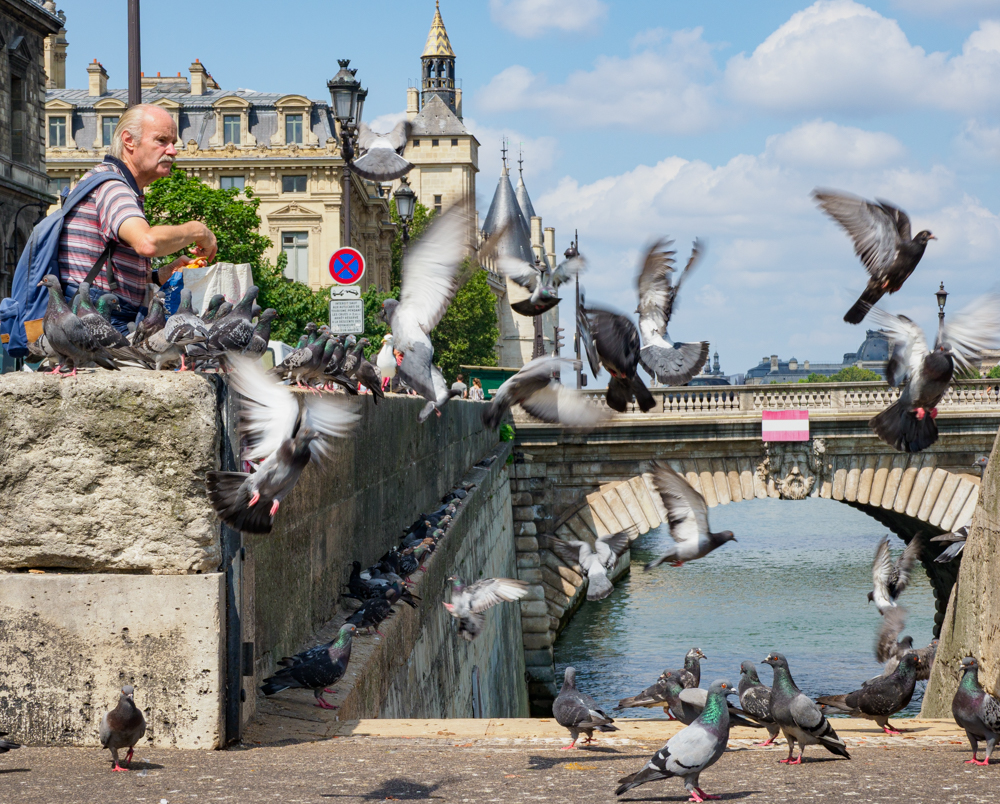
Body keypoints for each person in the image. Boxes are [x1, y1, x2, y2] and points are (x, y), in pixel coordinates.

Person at [58, 104, 217, 333]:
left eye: (173, 143)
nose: (172, 151)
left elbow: (110, 266)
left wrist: (162, 274)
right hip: (102, 319)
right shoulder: (113, 187)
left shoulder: (114, 184)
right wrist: (198, 231)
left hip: (96, 312)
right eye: (162, 141)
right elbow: (147, 242)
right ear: (129, 141)